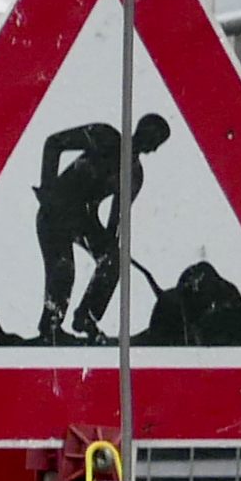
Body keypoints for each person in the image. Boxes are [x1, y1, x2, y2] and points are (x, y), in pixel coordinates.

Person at [34, 112, 171, 345]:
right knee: (63, 269)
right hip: (55, 211)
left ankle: (86, 317)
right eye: (153, 138)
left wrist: (111, 243)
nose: (152, 146)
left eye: (156, 143)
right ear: (141, 128)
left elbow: (116, 218)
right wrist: (48, 189)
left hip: (82, 219)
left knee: (113, 261)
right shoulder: (104, 136)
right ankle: (51, 327)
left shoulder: (134, 176)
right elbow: (54, 143)